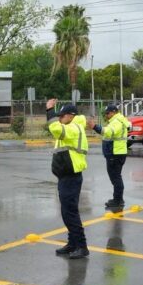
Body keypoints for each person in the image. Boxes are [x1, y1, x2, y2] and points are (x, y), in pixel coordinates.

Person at [46, 99, 89, 259]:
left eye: (61, 116)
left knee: (70, 212)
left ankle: (82, 246)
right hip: (66, 175)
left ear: (70, 115)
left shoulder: (73, 127)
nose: (59, 118)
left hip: (71, 176)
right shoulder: (70, 126)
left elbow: (55, 129)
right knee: (66, 212)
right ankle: (72, 243)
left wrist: (49, 110)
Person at [88, 104, 130, 208]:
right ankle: (118, 199)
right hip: (116, 152)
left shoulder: (117, 122)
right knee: (116, 177)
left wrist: (95, 127)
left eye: (107, 113)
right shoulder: (117, 120)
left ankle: (117, 201)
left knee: (115, 178)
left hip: (115, 153)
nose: (106, 115)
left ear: (114, 112)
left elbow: (108, 132)